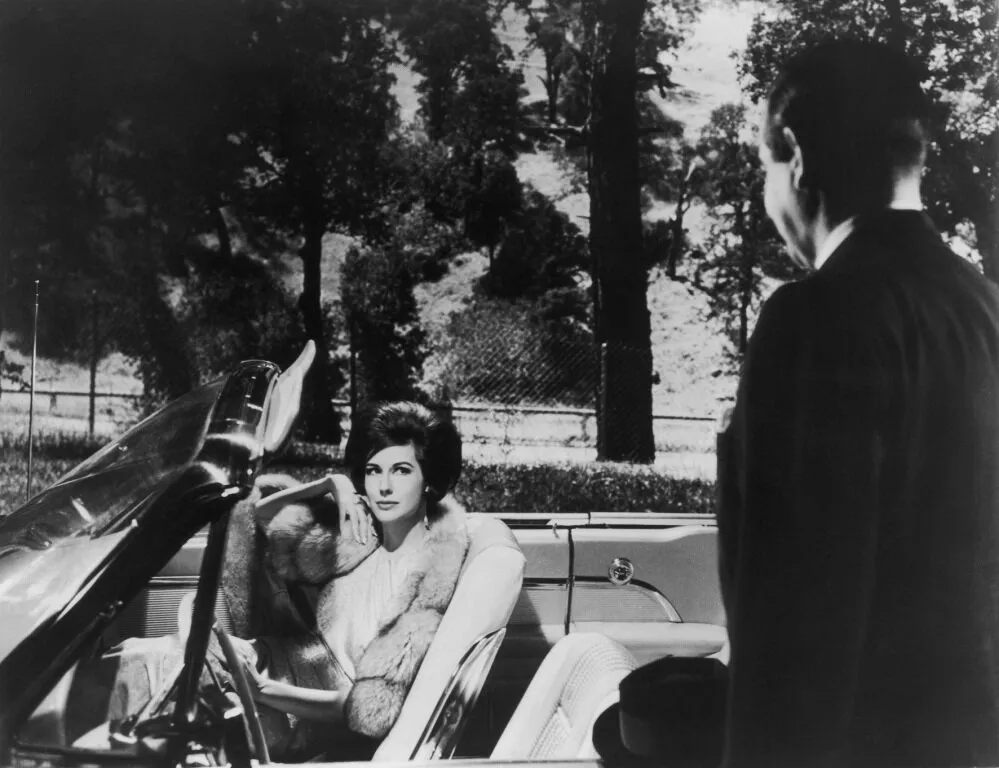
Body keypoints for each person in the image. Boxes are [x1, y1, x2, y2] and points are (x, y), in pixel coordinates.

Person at [715, 38, 999, 768]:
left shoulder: (815, 319)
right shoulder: (986, 311)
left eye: (764, 166)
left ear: (796, 156)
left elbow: (794, 640)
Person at [108, 401, 469, 760]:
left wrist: (262, 689)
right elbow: (259, 515)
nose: (384, 486)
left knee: (163, 702)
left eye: (402, 471)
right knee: (142, 657)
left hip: (303, 712)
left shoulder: (429, 585)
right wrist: (331, 484)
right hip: (271, 660)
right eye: (374, 471)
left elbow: (368, 709)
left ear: (429, 480)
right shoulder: (361, 533)